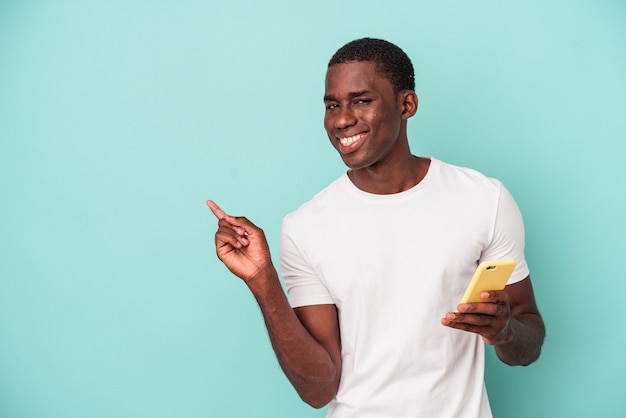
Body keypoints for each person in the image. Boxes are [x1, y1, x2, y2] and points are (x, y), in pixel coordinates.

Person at [207, 38, 545, 418]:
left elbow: (528, 343)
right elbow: (318, 390)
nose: (341, 119)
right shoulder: (305, 227)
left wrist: (506, 333)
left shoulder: (485, 200)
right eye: (332, 104)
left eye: (361, 100)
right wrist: (263, 281)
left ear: (407, 105)